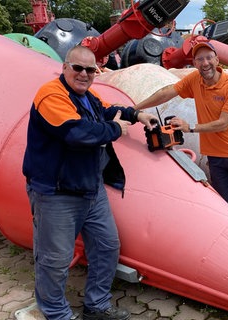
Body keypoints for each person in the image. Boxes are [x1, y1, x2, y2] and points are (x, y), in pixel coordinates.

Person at [22, 45, 157, 320]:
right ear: (65, 67)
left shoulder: (87, 96)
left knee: (107, 246)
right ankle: (56, 314)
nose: (84, 74)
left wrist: (137, 115)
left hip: (90, 189)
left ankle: (96, 306)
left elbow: (108, 109)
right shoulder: (50, 95)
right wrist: (115, 130)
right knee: (55, 260)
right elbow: (75, 133)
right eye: (78, 68)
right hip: (56, 193)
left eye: (90, 69)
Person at [134, 41, 228, 228]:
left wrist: (189, 127)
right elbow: (167, 92)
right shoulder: (194, 80)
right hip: (215, 158)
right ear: (194, 63)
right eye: (199, 59)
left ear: (217, 59)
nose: (205, 63)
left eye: (208, 58)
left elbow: (223, 124)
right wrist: (134, 109)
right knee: (225, 205)